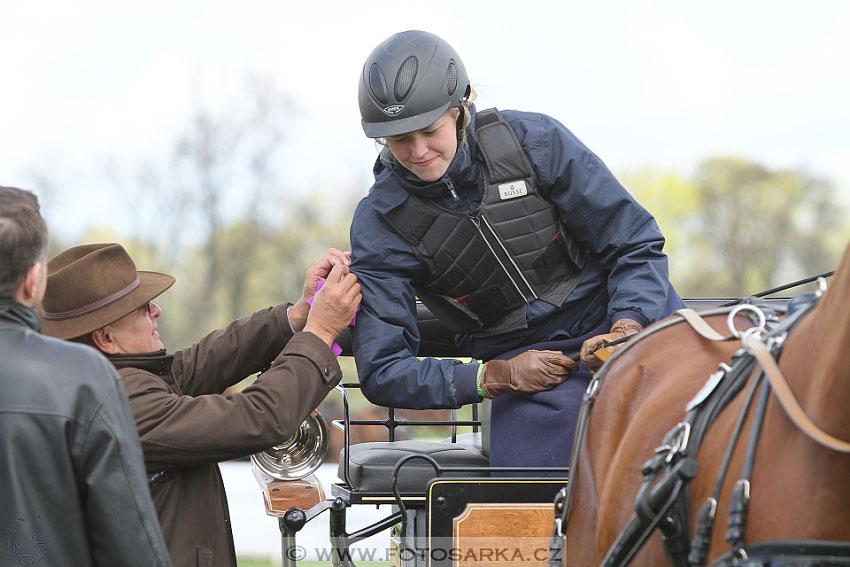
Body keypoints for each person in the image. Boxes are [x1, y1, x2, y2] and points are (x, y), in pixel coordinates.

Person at [349, 30, 686, 471]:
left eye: (430, 131)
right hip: (524, 369)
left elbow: (634, 241)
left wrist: (628, 325)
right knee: (533, 486)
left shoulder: (535, 141)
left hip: (628, 319)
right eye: (398, 140)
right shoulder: (380, 224)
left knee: (708, 421)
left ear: (459, 110)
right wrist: (494, 377)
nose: (418, 152)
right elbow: (383, 369)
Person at [39, 242, 360, 567]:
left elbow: (205, 361)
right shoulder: (120, 401)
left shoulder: (105, 383)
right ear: (106, 339)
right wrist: (320, 332)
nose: (156, 310)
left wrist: (299, 314)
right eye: (142, 305)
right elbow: (259, 417)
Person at [0, 187, 171, 567]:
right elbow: (128, 540)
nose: (155, 313)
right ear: (32, 281)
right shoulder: (81, 378)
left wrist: (290, 320)